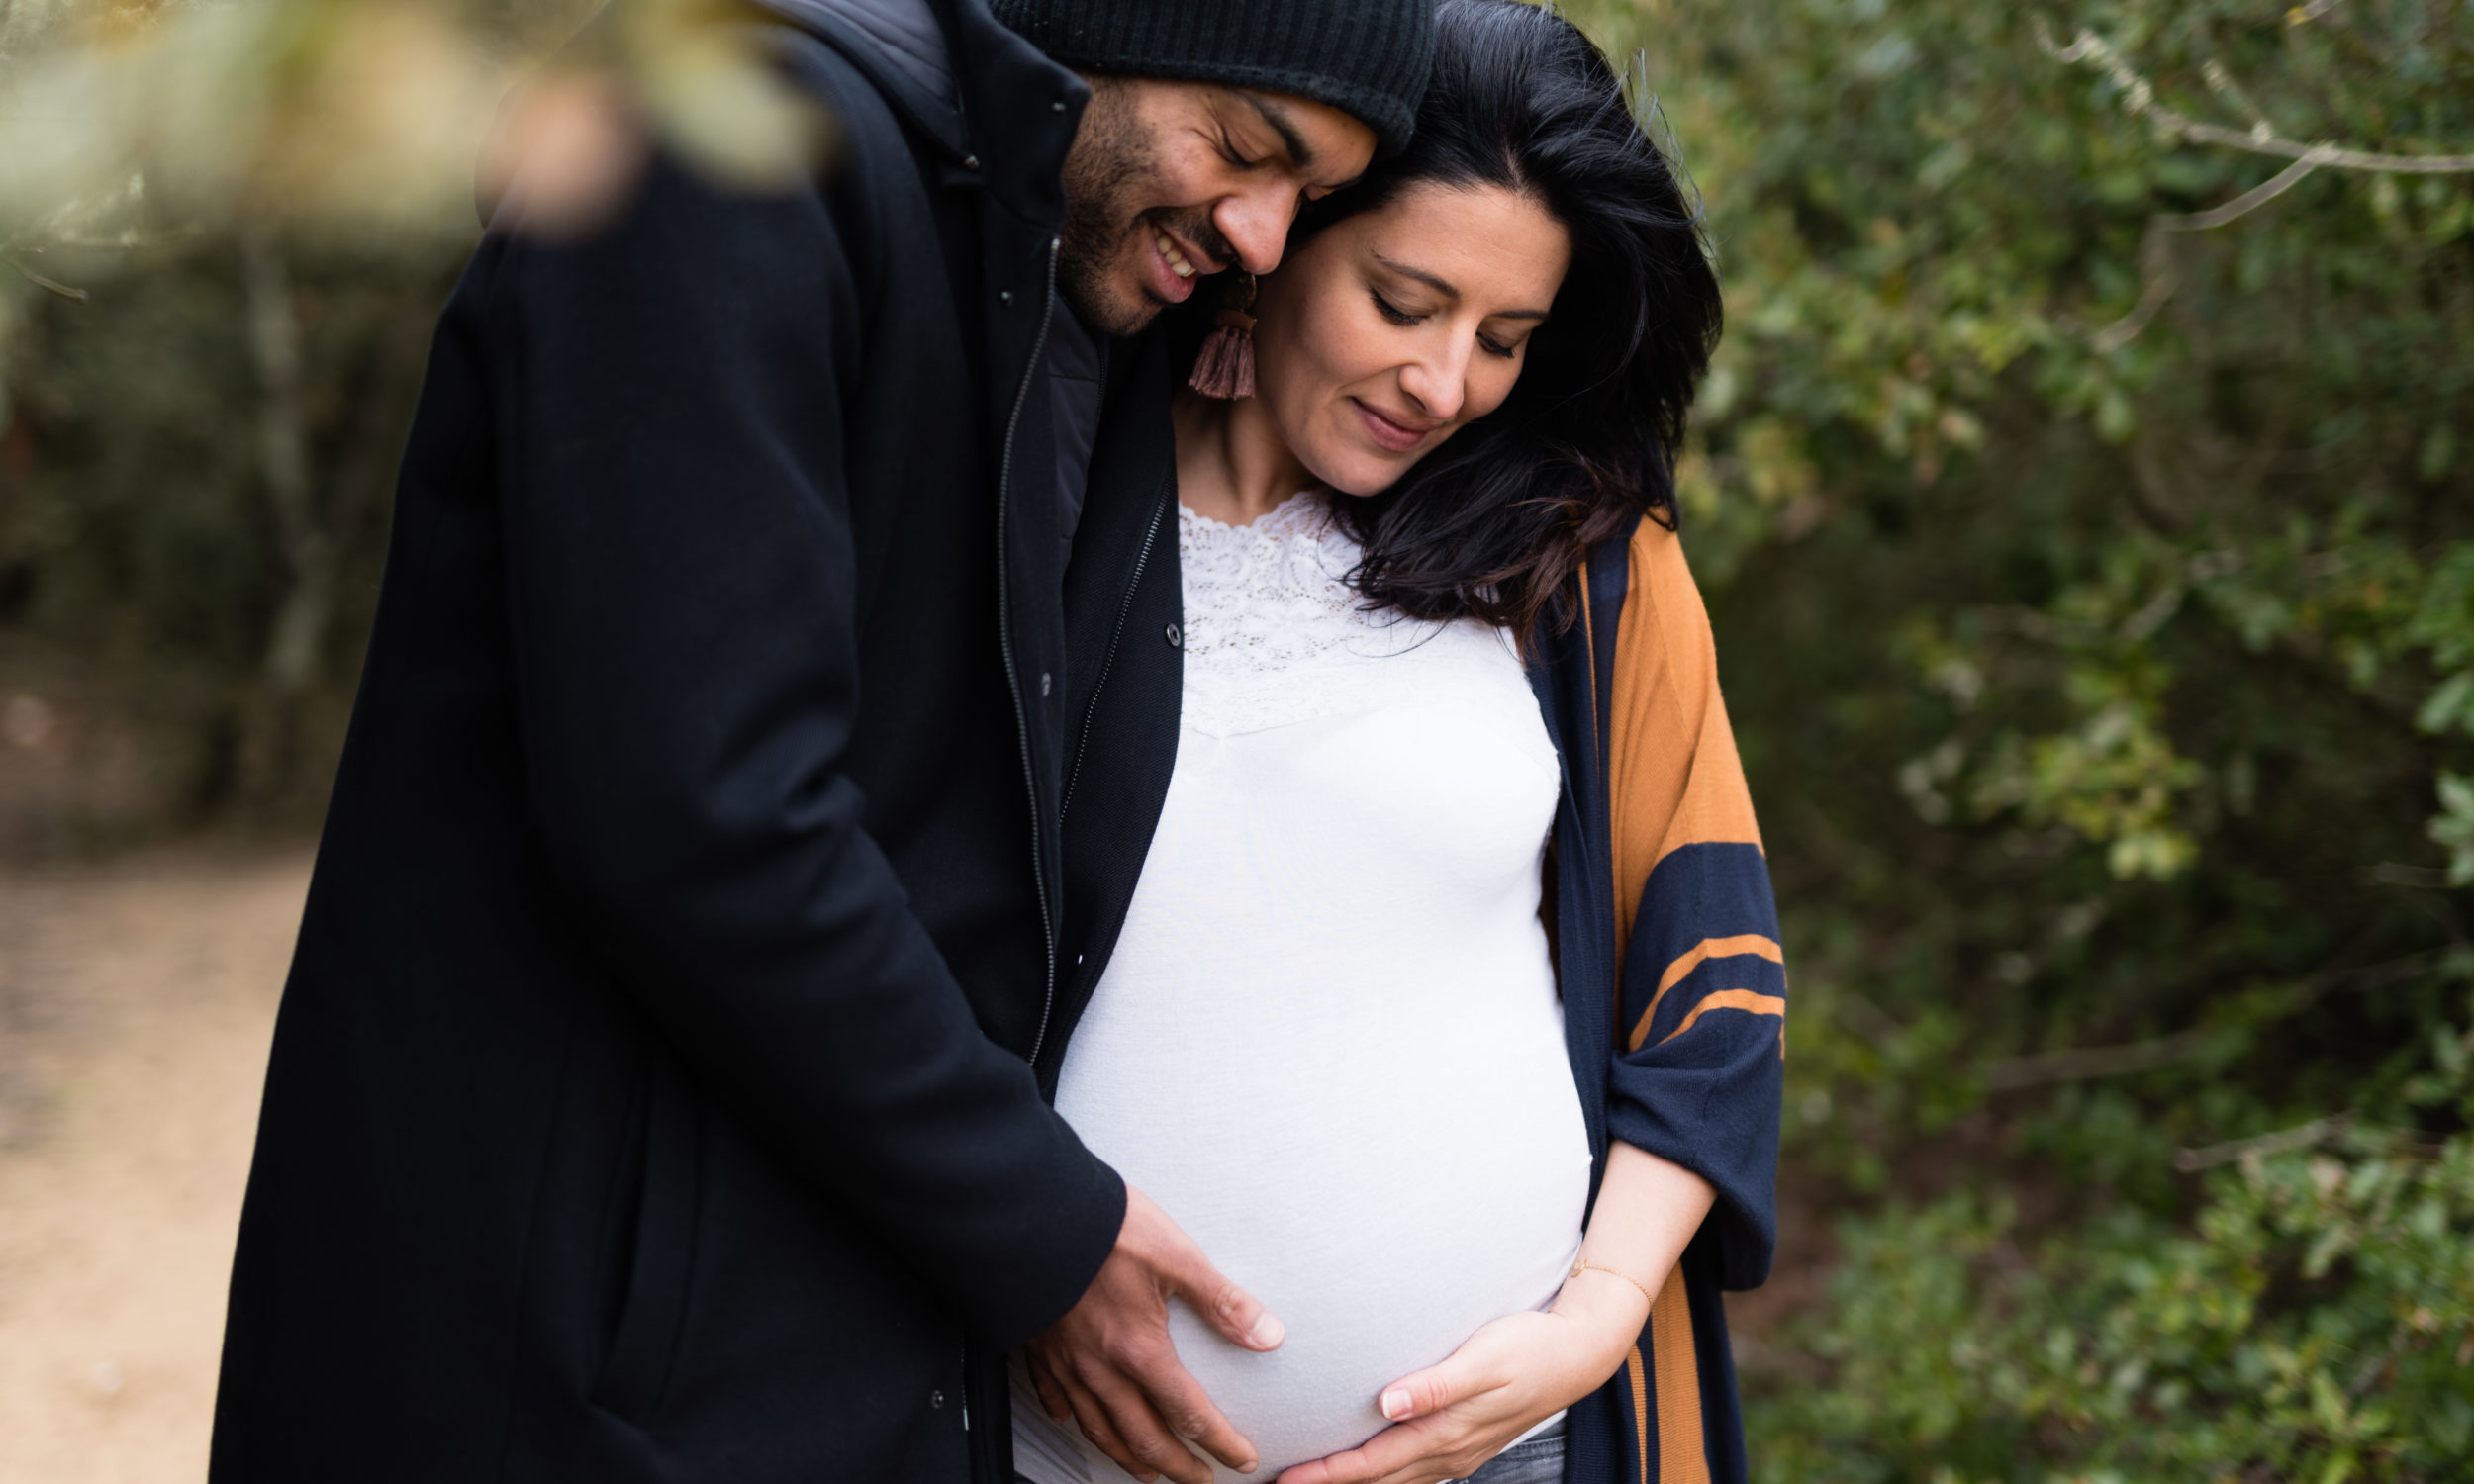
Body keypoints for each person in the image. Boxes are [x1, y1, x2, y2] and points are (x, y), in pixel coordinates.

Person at [205, 2, 1430, 1481]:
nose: (1261, 236)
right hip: (581, 1364)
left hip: (826, 1345)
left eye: (1313, 201)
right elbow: (701, 811)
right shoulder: (724, 151)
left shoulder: (1044, 259)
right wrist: (1039, 1226)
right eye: (1248, 151)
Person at [1010, 5, 1781, 1483]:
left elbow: (1716, 982)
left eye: (1505, 338)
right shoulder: (1035, 502)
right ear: (1278, 235)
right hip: (1045, 1444)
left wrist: (1601, 1316)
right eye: (1404, 300)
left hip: (1509, 1442)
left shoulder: (1580, 563)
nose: (1447, 385)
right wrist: (1016, 1245)